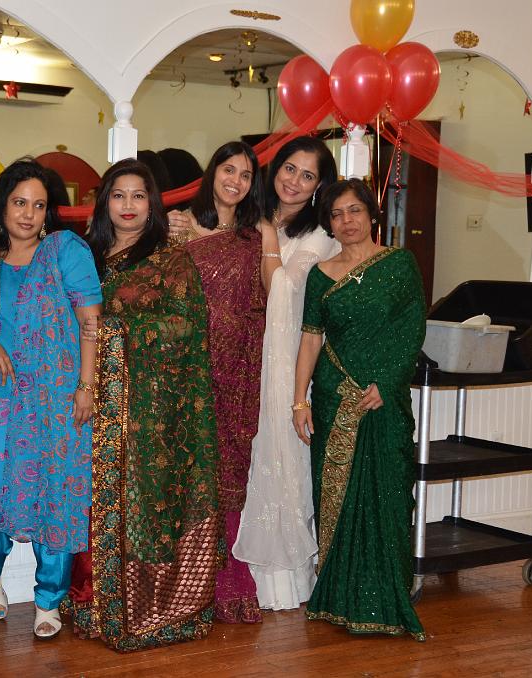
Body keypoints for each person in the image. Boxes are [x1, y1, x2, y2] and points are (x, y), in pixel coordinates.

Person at [66, 158, 220, 651]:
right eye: (118, 195)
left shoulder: (170, 259)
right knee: (91, 500)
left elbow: (188, 325)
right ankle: (95, 604)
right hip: (88, 400)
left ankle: (147, 610)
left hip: (151, 412)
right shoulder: (86, 256)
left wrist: (116, 329)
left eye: (138, 195)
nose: (128, 205)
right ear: (104, 203)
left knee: (144, 506)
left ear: (151, 204)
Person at [0, 159, 102, 640]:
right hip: (1, 395)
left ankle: (49, 597)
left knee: (56, 488)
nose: (28, 214)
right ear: (2, 206)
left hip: (58, 397)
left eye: (39, 205)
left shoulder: (65, 250)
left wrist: (86, 386)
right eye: (19, 203)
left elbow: (90, 322)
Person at [292, 178, 425, 640]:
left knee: (387, 492)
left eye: (354, 211)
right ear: (328, 223)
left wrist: (386, 382)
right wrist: (299, 399)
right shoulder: (320, 275)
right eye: (336, 214)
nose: (346, 221)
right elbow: (311, 339)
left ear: (371, 214)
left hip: (384, 401)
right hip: (335, 398)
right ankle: (336, 597)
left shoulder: (400, 265)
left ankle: (387, 599)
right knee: (337, 498)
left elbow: (411, 329)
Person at [232, 136, 340, 611]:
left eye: (308, 175)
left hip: (284, 365)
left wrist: (267, 234)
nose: (294, 181)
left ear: (319, 187)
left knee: (278, 458)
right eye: (290, 168)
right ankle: (231, 579)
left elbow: (282, 289)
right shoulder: (246, 215)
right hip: (237, 356)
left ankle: (279, 581)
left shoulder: (319, 238)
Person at [167, 141, 266, 623]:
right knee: (188, 473)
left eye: (246, 175)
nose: (236, 181)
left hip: (237, 373)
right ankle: (186, 588)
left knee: (229, 477)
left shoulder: (253, 236)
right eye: (229, 170)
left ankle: (229, 583)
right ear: (212, 172)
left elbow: (263, 302)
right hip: (188, 372)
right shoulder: (178, 225)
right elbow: (163, 296)